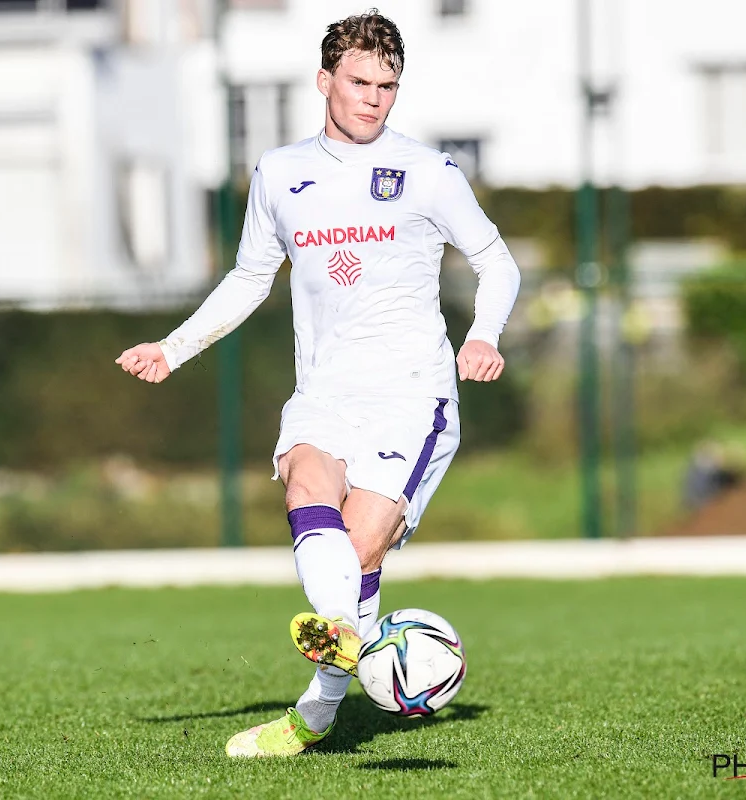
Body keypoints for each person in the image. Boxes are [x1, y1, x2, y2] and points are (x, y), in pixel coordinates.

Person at [115, 9, 520, 757]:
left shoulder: (429, 173)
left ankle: (317, 715)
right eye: (360, 81)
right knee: (307, 485)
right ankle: (350, 648)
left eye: (388, 85)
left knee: (360, 553)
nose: (373, 98)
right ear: (324, 80)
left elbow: (497, 261)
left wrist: (484, 334)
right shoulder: (279, 173)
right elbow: (248, 278)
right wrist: (174, 349)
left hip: (411, 394)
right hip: (326, 392)